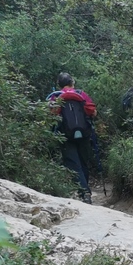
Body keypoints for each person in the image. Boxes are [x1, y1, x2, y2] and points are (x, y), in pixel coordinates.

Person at [48, 73, 97, 203]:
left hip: (65, 136)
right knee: (83, 162)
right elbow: (93, 112)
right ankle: (86, 192)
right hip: (84, 134)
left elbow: (51, 115)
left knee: (73, 164)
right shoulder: (81, 94)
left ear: (59, 84)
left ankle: (84, 193)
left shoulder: (56, 96)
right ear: (72, 83)